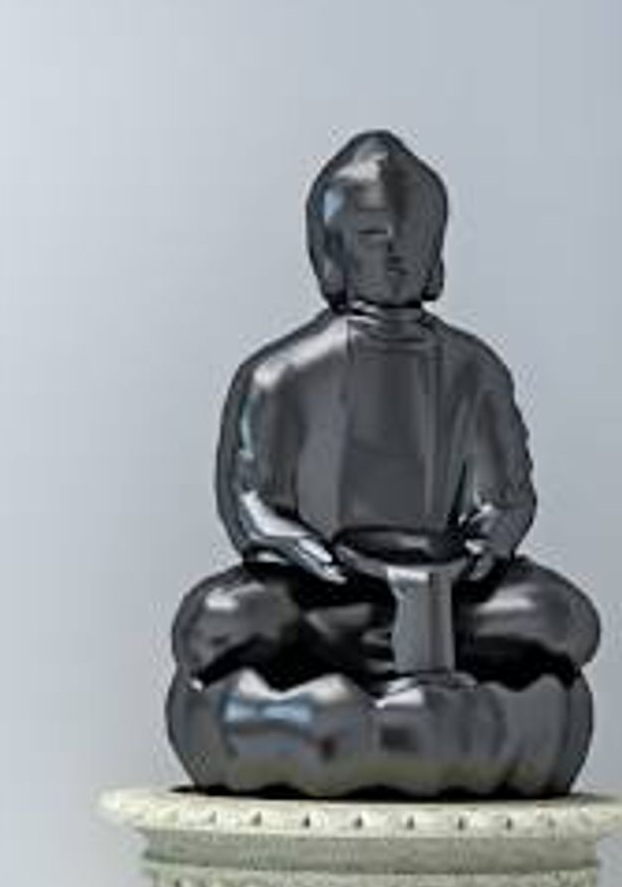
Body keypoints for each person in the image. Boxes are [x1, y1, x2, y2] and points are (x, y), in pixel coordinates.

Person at [167, 130, 595, 799]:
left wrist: (469, 560)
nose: (396, 251)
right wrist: (323, 561)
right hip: (324, 600)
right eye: (371, 235)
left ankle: (391, 689)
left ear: (438, 249)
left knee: (558, 615)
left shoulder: (472, 369)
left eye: (413, 231)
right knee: (217, 619)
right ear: (331, 252)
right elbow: (252, 504)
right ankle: (393, 692)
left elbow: (507, 498)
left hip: (452, 599)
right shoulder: (280, 374)